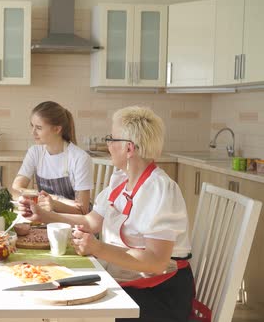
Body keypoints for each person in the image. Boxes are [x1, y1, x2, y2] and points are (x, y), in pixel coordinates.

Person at [19, 106, 193, 321]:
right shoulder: (120, 180)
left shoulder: (160, 189)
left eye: (111, 139)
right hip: (126, 279)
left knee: (71, 311)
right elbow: (91, 221)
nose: (107, 145)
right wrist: (44, 216)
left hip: (158, 294)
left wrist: (97, 247)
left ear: (129, 148)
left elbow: (156, 262)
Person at [12, 101, 93, 214]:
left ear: (57, 129)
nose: (33, 132)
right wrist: (51, 198)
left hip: (73, 223)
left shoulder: (80, 158)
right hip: (46, 218)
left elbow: (83, 210)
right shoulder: (35, 152)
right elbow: (15, 189)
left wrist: (54, 204)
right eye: (32, 126)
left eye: (39, 128)